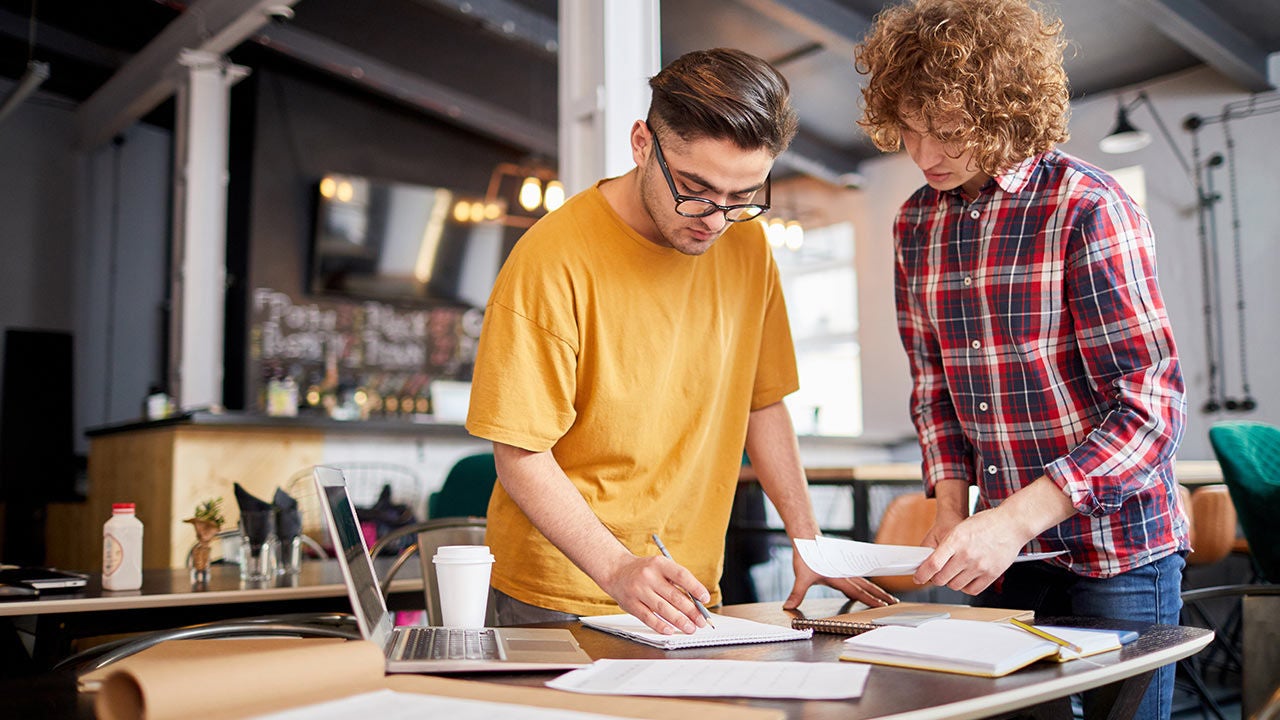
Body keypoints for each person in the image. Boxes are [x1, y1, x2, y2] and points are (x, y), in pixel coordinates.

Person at [466, 48, 896, 635]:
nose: (715, 219)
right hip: (561, 591)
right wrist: (617, 567)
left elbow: (763, 403)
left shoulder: (746, 246)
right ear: (641, 143)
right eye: (695, 188)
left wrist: (808, 540)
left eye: (742, 196)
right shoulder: (551, 261)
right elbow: (520, 453)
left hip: (689, 588)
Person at [854, 2, 1188, 718]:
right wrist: (952, 508)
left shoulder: (1087, 207)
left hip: (1117, 552)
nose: (924, 154)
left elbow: (1152, 410)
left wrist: (1011, 520)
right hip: (1007, 562)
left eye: (948, 133)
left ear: (1003, 112)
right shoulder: (916, 222)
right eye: (908, 130)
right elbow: (934, 389)